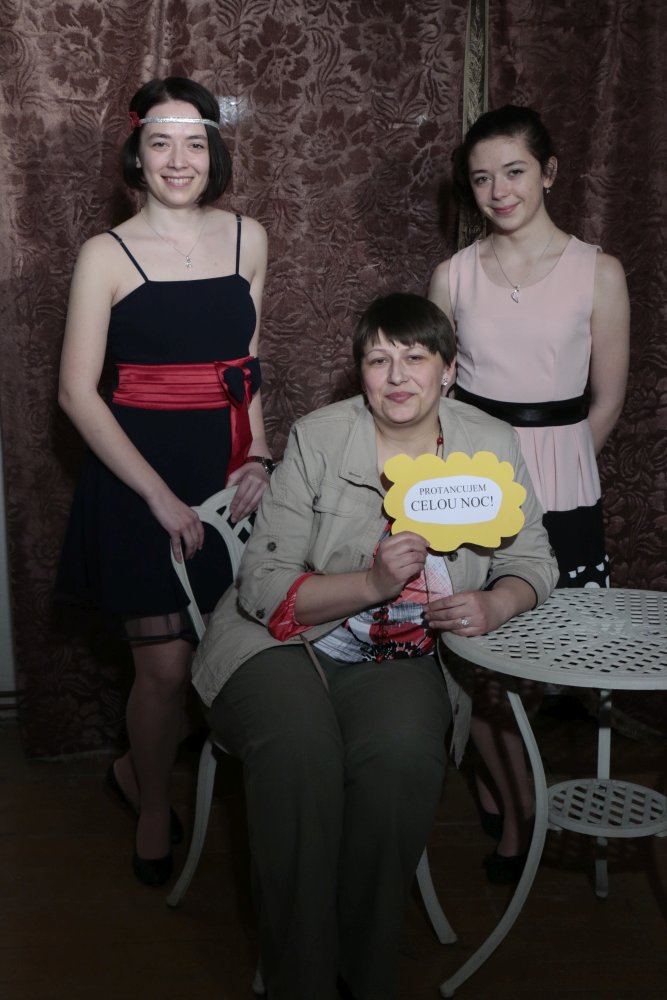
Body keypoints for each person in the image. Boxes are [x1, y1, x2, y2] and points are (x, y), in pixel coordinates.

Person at [192, 292, 558, 1000]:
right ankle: (300, 974)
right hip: (282, 641)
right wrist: (370, 582)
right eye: (377, 359)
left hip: (401, 654)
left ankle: (363, 968)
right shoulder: (321, 437)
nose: (397, 376)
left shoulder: (489, 443)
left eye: (415, 358)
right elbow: (263, 583)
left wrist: (495, 602)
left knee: (401, 758)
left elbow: (533, 562)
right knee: (300, 751)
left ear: (448, 371)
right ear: (359, 372)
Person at [56, 77, 272, 886]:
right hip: (137, 476)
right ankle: (149, 800)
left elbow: (246, 368)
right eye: (160, 143)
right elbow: (77, 393)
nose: (178, 160)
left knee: (234, 656)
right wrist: (157, 498)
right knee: (166, 670)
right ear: (136, 155)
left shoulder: (249, 238)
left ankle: (139, 772)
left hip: (225, 470)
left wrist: (257, 454)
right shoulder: (104, 255)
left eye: (194, 142)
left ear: (213, 151)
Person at [428, 104, 630, 882]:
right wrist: (477, 486)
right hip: (471, 488)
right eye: (480, 178)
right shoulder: (452, 275)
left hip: (563, 481)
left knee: (540, 662)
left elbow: (604, 400)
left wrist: (553, 477)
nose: (498, 191)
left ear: (548, 172)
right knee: (476, 659)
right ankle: (517, 817)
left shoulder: (597, 272)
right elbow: (435, 398)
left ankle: (506, 788)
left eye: (513, 171)